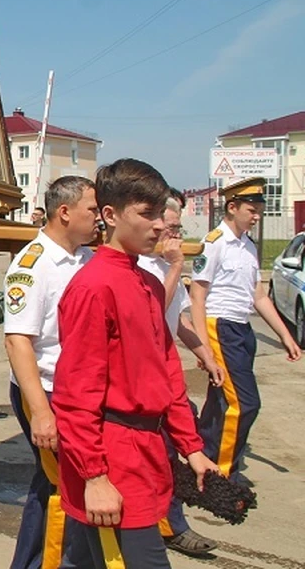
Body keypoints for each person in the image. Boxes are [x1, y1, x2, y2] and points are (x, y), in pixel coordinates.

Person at [55, 159, 218, 568]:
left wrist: (191, 446)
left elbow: (166, 371)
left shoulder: (145, 282)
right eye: (146, 215)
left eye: (159, 213)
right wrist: (94, 476)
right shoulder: (94, 287)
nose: (160, 226)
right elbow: (76, 393)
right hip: (113, 462)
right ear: (110, 215)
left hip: (145, 454)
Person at [3, 176, 98, 569]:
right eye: (92, 210)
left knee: (52, 485)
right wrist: (41, 411)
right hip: (44, 391)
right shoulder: (32, 266)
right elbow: (17, 342)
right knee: (63, 489)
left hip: (78, 392)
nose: (98, 218)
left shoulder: (87, 258)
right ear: (65, 212)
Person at [191, 177, 301, 484]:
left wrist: (285, 336)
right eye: (251, 210)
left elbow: (259, 296)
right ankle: (223, 474)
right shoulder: (214, 244)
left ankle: (203, 458)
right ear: (232, 207)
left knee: (220, 403)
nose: (256, 216)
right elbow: (197, 297)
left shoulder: (249, 246)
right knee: (244, 403)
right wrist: (204, 347)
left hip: (241, 328)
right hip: (220, 327)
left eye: (258, 211)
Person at [137, 195, 224, 557]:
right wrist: (175, 267)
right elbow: (153, 313)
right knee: (165, 452)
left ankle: (168, 520)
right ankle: (169, 525)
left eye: (175, 229)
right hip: (144, 374)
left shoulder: (166, 263)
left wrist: (206, 354)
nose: (172, 235)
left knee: (177, 445)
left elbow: (181, 320)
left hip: (166, 367)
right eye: (168, 228)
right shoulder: (144, 265)